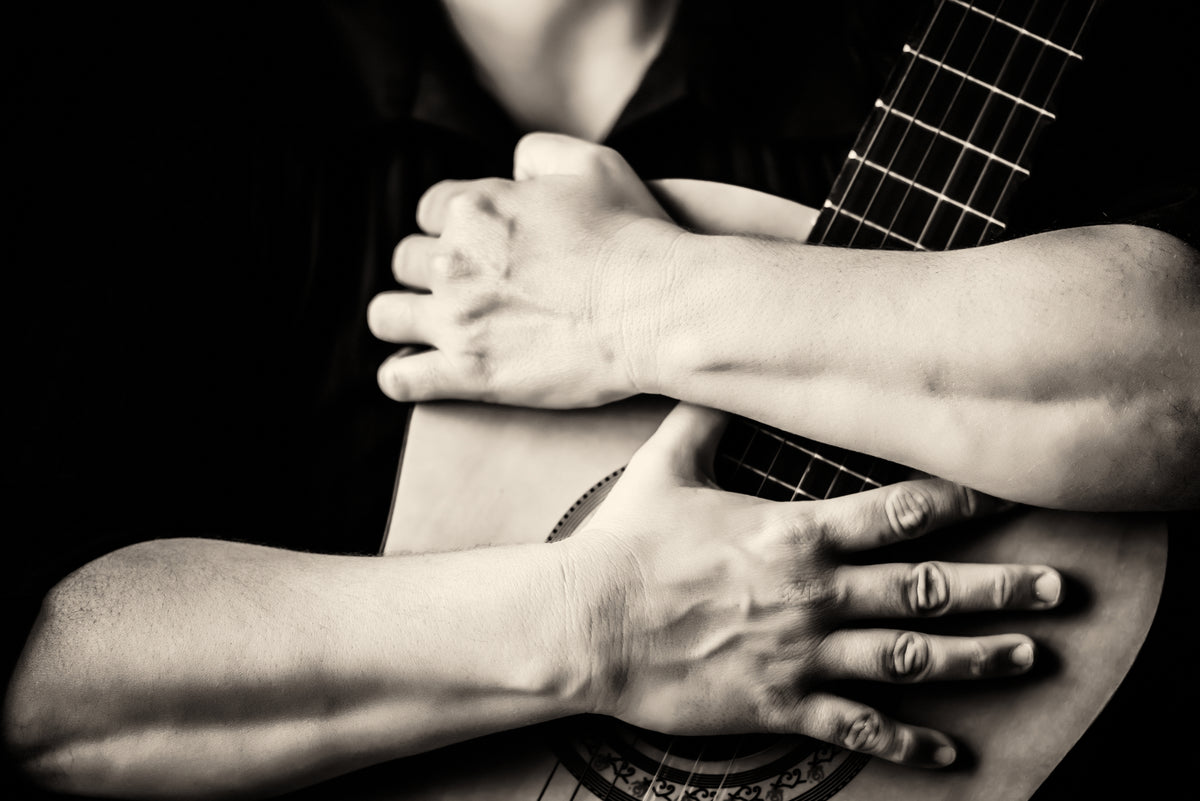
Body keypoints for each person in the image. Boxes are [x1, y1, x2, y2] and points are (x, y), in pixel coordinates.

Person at [4, 0, 1196, 799]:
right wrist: (597, 623)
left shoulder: (943, 48)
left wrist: (629, 297)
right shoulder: (169, 95)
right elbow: (46, 690)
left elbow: (1171, 388)